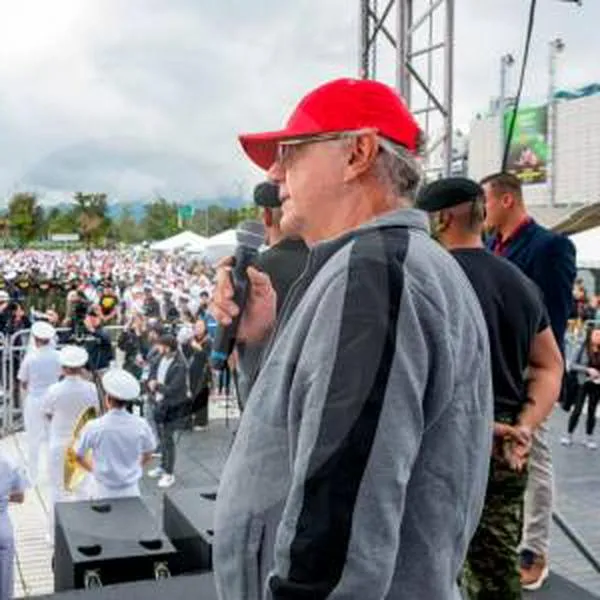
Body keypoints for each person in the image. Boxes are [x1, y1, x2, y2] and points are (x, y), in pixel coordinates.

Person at [211, 78, 494, 599]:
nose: (274, 175)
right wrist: (259, 344)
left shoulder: (375, 275)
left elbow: (339, 519)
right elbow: (303, 440)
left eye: (290, 153)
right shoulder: (373, 270)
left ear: (358, 153)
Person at [417, 177, 564, 599]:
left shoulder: (425, 279)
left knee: (423, 565)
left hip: (440, 439)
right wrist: (525, 427)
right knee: (495, 575)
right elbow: (549, 366)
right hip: (504, 446)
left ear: (441, 218)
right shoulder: (519, 282)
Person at [481, 171, 577, 590]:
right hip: (490, 369)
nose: (478, 211)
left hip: (528, 369)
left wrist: (539, 379)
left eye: (484, 201)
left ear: (505, 200)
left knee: (534, 455)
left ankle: (534, 550)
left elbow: (553, 320)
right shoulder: (487, 245)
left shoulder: (550, 247)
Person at [235, 181, 309, 407]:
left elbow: (237, 354)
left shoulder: (252, 271)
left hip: (264, 392)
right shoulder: (327, 260)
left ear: (266, 216)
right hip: (310, 387)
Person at [43, 345, 99, 541]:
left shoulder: (54, 390)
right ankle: (84, 532)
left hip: (59, 444)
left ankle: (54, 534)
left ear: (63, 367)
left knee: (57, 490)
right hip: (82, 444)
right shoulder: (91, 388)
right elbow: (94, 414)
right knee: (83, 489)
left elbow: (48, 414)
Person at [73, 367, 156, 500]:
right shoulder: (141, 425)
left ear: (107, 399)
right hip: (131, 490)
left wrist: (95, 471)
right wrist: (135, 467)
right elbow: (149, 452)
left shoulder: (94, 426)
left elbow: (78, 456)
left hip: (102, 490)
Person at [17, 320, 61, 484]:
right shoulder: (58, 356)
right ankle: (54, 473)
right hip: (53, 399)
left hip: (35, 399)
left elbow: (22, 381)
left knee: (33, 439)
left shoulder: (31, 357)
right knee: (52, 437)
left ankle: (33, 476)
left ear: (35, 339)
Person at [146, 334, 187, 489]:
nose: (158, 348)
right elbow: (151, 375)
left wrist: (155, 386)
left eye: (160, 346)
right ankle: (163, 466)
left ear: (168, 347)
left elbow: (173, 389)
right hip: (158, 403)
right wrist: (151, 386)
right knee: (162, 438)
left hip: (172, 405)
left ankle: (169, 474)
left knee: (168, 439)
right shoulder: (159, 359)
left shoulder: (180, 365)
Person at [561, 323, 600, 448]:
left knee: (592, 411)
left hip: (597, 385)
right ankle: (568, 435)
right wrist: (588, 370)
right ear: (591, 335)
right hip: (582, 382)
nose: (599, 337)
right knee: (577, 410)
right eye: (597, 334)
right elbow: (572, 365)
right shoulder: (583, 347)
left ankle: (589, 438)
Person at [0, 453, 27, 600]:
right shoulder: (10, 461)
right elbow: (20, 497)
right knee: (4, 586)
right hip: (2, 529)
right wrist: (3, 497)